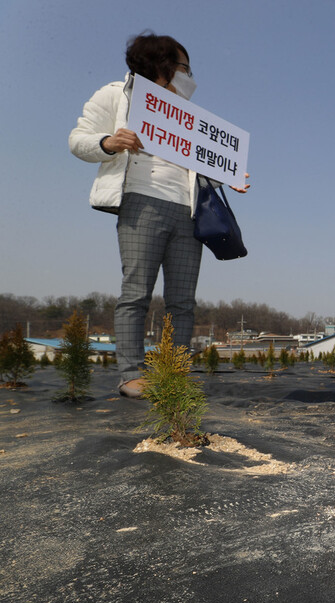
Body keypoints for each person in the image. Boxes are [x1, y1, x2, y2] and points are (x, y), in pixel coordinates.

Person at [69, 32, 249, 398]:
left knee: (183, 301)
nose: (189, 75)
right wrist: (109, 143)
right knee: (136, 292)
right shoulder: (116, 95)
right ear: (161, 64)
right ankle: (131, 374)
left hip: (188, 212)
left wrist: (230, 177)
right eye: (184, 66)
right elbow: (78, 139)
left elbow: (200, 163)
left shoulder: (189, 115)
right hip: (141, 202)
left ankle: (173, 372)